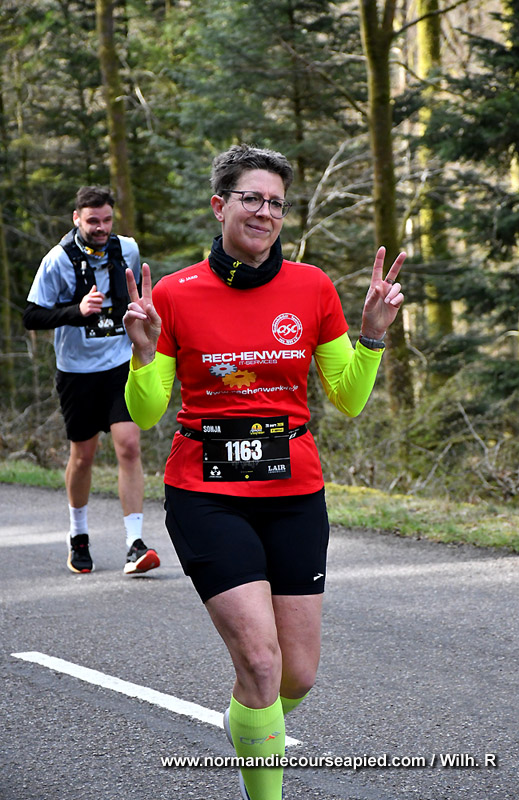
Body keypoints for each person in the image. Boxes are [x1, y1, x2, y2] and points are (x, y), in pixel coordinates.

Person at [123, 144, 405, 800]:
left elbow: (348, 398)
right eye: (251, 197)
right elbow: (147, 410)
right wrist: (141, 353)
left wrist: (371, 336)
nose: (265, 212)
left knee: (295, 676)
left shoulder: (312, 287)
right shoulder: (174, 293)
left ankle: (252, 717)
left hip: (294, 493)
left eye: (276, 203)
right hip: (206, 491)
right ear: (219, 205)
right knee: (259, 660)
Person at [23, 186, 160, 577]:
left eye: (107, 220)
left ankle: (135, 544)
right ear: (77, 219)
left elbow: (133, 295)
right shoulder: (57, 260)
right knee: (83, 456)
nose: (101, 228)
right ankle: (78, 535)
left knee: (129, 446)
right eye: (93, 221)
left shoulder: (127, 249)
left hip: (119, 364)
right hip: (76, 371)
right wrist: (76, 311)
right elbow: (31, 316)